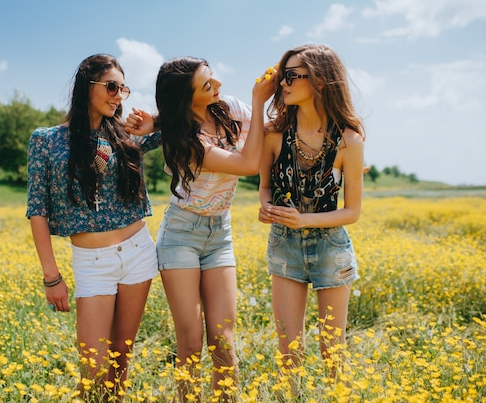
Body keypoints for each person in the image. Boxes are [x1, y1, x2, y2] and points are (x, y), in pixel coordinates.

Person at [126, 56, 276, 402]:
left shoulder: (229, 109)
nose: (218, 86)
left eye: (213, 78)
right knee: (191, 343)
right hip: (182, 235)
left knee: (224, 340)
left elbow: (274, 129)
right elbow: (247, 164)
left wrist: (339, 147)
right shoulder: (184, 140)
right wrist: (258, 98)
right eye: (207, 86)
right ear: (187, 99)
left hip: (219, 233)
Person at [26, 54, 161, 399]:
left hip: (138, 253)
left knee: (120, 360)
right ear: (87, 86)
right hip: (93, 263)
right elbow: (37, 209)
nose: (118, 95)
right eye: (111, 86)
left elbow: (180, 121)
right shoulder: (47, 140)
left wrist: (153, 121)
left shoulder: (125, 136)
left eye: (123, 89)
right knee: (93, 368)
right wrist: (51, 276)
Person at [257, 44, 365, 395]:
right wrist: (267, 207)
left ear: (319, 80)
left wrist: (303, 221)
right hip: (283, 246)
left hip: (330, 246)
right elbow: (263, 187)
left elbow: (352, 211)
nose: (283, 85)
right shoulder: (273, 134)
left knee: (332, 350)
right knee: (289, 352)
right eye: (282, 77)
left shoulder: (348, 140)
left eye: (291, 76)